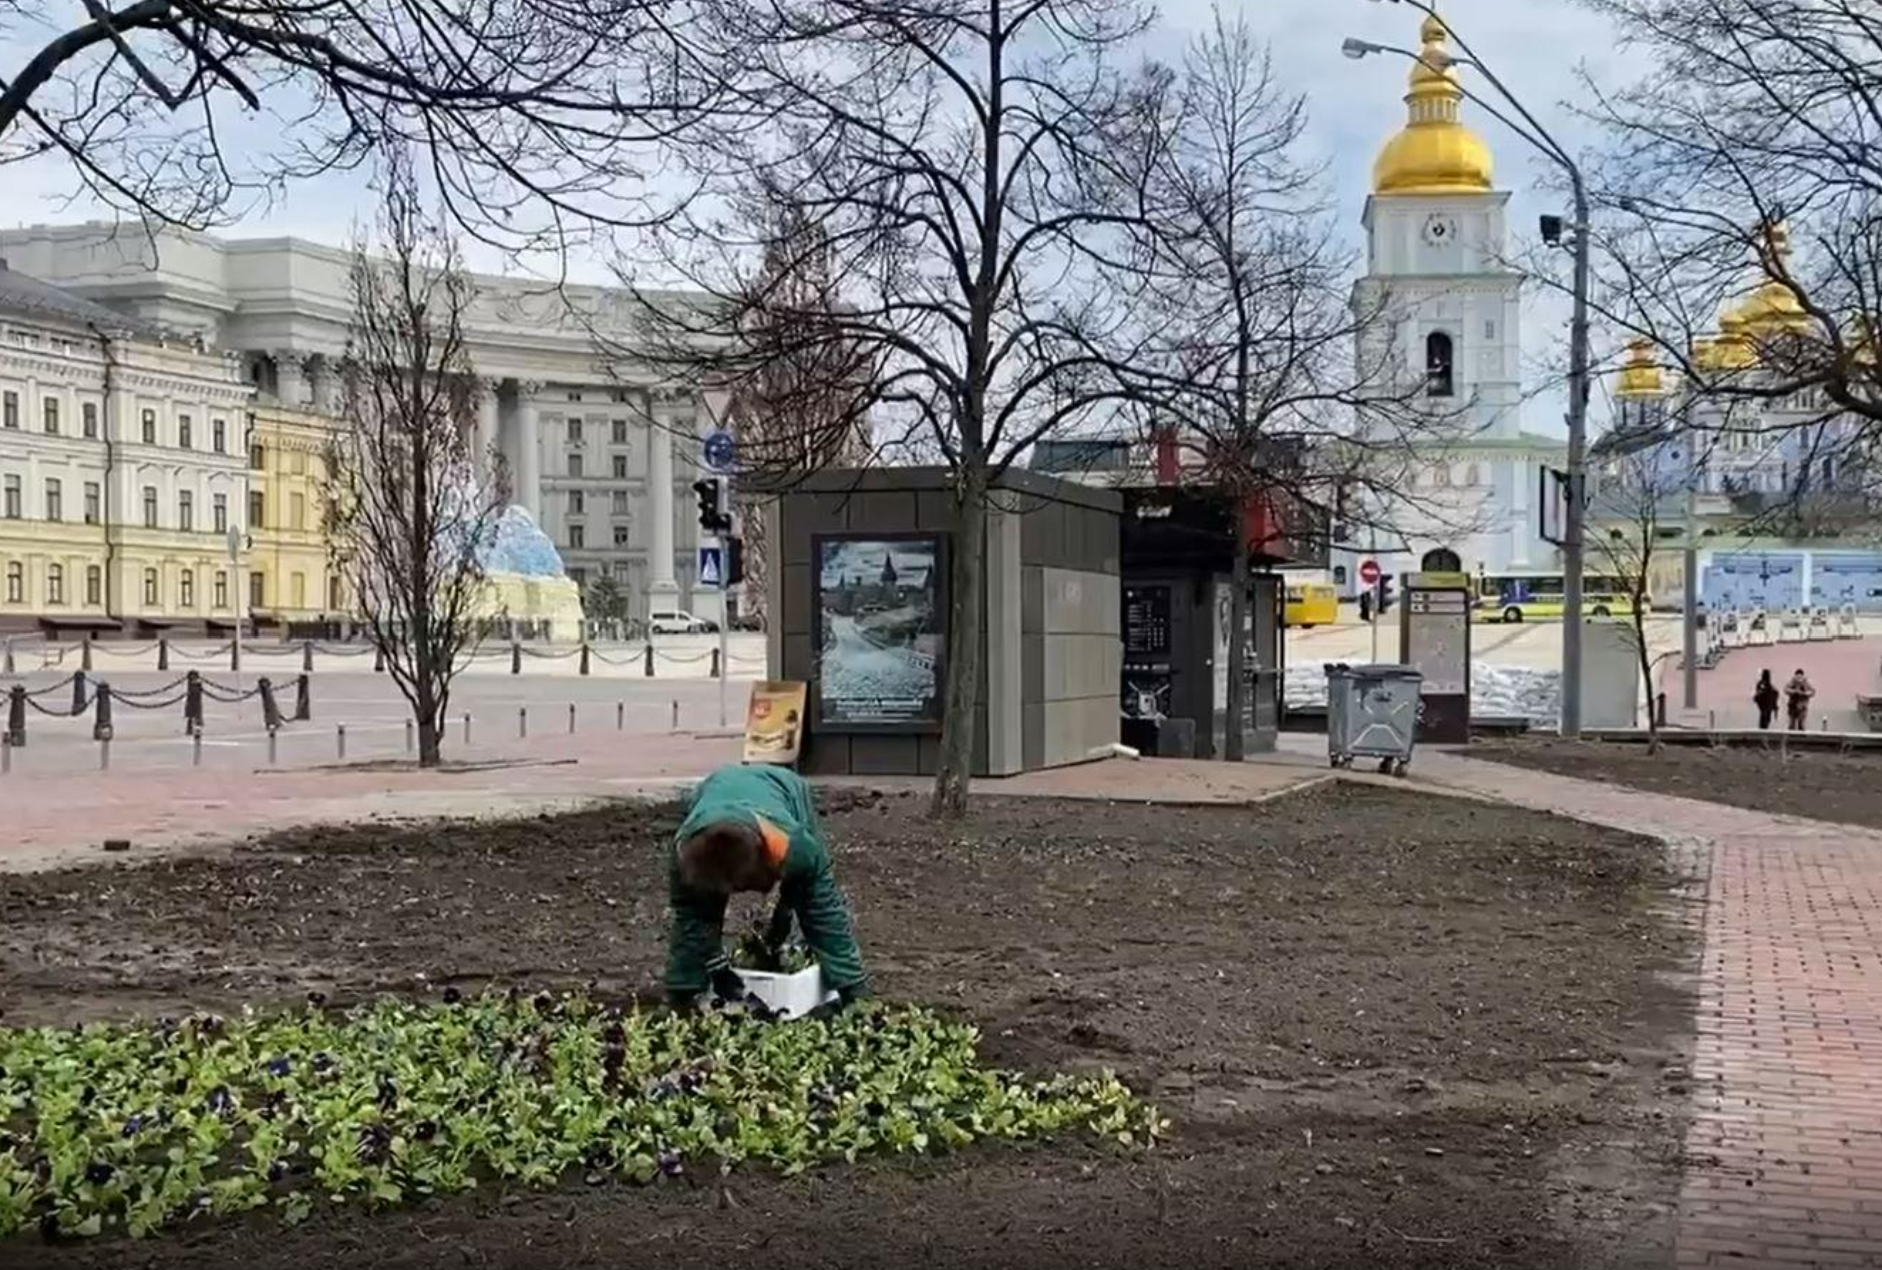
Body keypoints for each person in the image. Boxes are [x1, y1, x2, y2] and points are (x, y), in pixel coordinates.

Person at [665, 764, 869, 1009]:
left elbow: (823, 909)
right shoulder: (686, 854)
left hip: (784, 786)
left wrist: (852, 988)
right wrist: (694, 982)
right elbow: (690, 917)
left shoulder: (792, 843)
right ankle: (685, 993)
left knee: (806, 892)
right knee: (699, 908)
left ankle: (782, 926)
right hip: (714, 788)